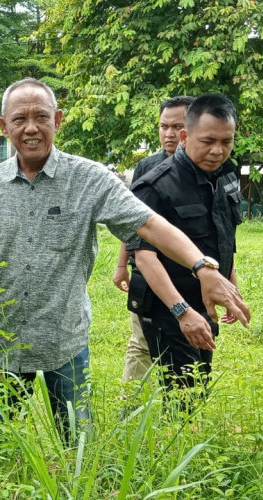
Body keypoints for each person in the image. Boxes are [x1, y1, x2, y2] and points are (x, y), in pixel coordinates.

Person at [0, 78, 250, 444]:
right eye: (20, 118)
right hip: (2, 343)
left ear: (58, 120)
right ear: (3, 126)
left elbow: (150, 224)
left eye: (41, 116)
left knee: (79, 444)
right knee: (0, 443)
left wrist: (202, 267)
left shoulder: (89, 179)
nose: (31, 127)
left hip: (66, 340)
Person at [129, 93, 242, 393]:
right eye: (208, 141)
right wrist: (183, 312)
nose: (218, 151)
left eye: (226, 142)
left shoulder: (226, 177)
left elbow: (225, 236)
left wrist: (229, 285)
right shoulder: (155, 186)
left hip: (205, 304)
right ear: (184, 135)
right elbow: (144, 258)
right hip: (169, 307)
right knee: (183, 395)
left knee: (198, 385)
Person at [113, 96, 194, 385]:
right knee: (141, 341)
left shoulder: (206, 169)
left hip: (189, 274)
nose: (169, 134)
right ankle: (131, 410)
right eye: (163, 126)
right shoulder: (147, 168)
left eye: (177, 126)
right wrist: (122, 265)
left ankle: (181, 408)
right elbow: (132, 221)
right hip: (147, 270)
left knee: (188, 342)